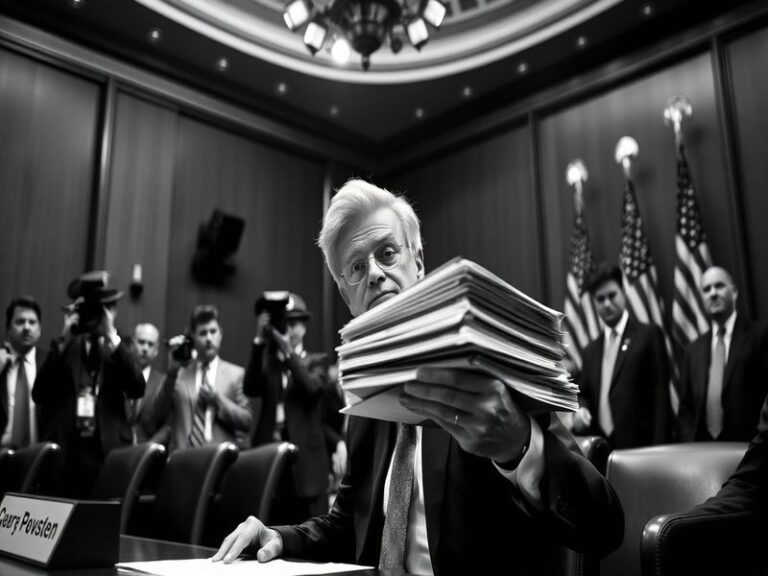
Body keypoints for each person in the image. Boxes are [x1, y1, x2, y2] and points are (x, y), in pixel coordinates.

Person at [214, 179, 623, 575]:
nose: (374, 274)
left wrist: (519, 446)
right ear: (346, 295)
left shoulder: (486, 364)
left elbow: (604, 527)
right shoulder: (364, 398)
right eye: (356, 267)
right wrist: (279, 538)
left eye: (388, 253)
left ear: (419, 263)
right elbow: (347, 525)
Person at [33, 271, 145, 498]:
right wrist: (64, 339)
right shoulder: (65, 347)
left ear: (112, 311)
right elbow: (39, 393)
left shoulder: (120, 346)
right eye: (90, 311)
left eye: (101, 310)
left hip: (107, 453)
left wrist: (111, 336)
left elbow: (137, 388)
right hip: (68, 456)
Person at [246, 293, 331, 519]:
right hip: (271, 459)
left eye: (293, 324)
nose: (289, 330)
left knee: (313, 531)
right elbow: (250, 388)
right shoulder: (270, 362)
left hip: (307, 466)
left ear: (304, 326)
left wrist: (288, 353)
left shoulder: (318, 360)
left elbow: (311, 389)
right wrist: (259, 341)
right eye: (285, 323)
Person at [572, 262, 672, 448]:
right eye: (600, 299)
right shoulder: (590, 351)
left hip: (643, 449)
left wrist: (660, 450)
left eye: (612, 295)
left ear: (624, 292)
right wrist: (582, 409)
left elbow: (662, 402)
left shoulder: (649, 336)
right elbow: (583, 394)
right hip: (602, 451)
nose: (607, 304)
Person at [677, 266, 768, 442]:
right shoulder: (691, 351)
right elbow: (685, 410)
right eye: (706, 289)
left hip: (750, 447)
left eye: (719, 286)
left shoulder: (760, 336)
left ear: (734, 292)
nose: (713, 293)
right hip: (703, 451)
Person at [152, 305, 251, 452]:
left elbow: (246, 421)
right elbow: (158, 412)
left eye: (213, 331)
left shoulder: (236, 375)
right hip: (183, 458)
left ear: (221, 334)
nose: (209, 338)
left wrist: (217, 399)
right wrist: (171, 373)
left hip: (219, 458)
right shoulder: (179, 373)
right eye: (203, 333)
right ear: (192, 337)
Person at [1, 296, 43, 448]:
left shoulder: (49, 364)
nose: (27, 327)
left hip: (39, 455)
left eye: (32, 322)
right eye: (20, 322)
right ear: (8, 328)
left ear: (39, 329)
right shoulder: (1, 361)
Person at [130, 322, 170, 445]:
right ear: (132, 344)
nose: (145, 348)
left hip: (148, 449)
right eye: (141, 342)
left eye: (150, 344)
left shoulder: (163, 382)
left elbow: (168, 424)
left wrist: (150, 447)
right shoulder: (118, 376)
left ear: (156, 350)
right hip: (117, 449)